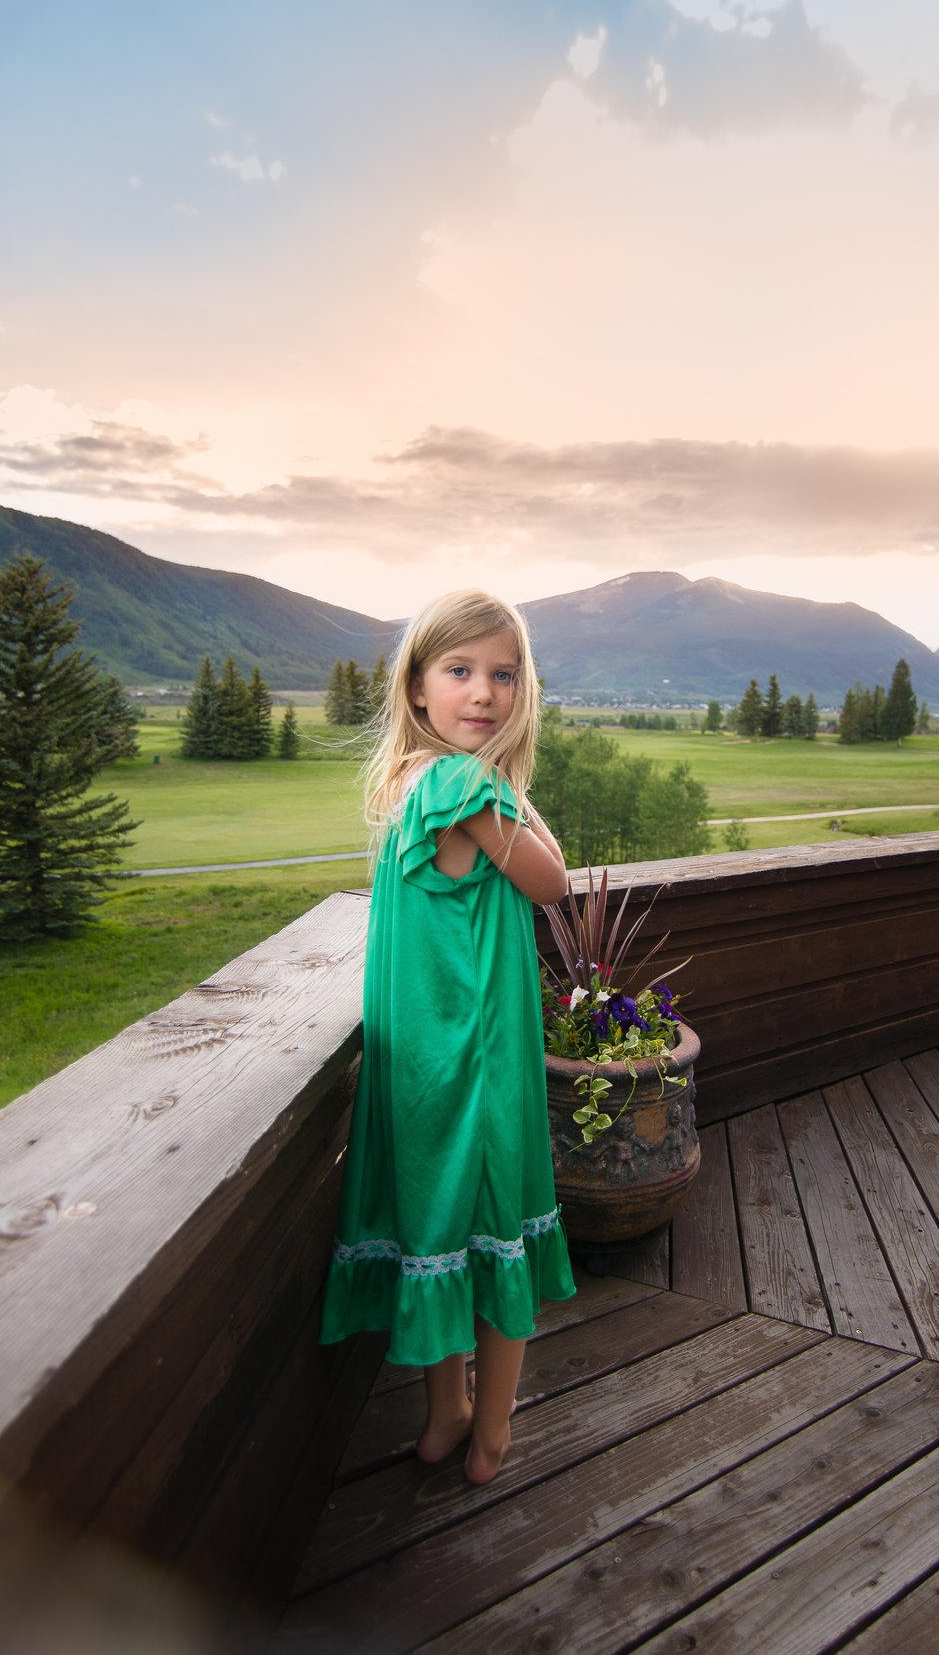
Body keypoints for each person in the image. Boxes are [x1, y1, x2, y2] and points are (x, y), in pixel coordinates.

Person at [319, 589, 575, 1485]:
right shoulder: (469, 786)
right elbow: (553, 882)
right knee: (496, 1221)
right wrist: (511, 786)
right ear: (417, 687)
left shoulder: (406, 782)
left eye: (504, 675)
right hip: (476, 1055)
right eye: (460, 671)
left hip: (417, 1060)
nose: (485, 693)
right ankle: (484, 1424)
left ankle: (453, 1413)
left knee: (436, 1223)